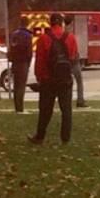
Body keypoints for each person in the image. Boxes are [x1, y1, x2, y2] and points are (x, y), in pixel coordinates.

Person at [28, 13, 78, 144]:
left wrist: (40, 77)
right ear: (62, 23)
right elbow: (73, 57)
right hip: (65, 80)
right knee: (66, 110)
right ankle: (65, 138)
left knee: (45, 110)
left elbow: (40, 60)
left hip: (48, 80)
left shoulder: (44, 39)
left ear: (50, 24)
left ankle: (40, 136)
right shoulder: (71, 38)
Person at [8, 17, 34, 114]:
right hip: (23, 63)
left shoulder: (14, 34)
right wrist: (29, 63)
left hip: (15, 63)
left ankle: (17, 107)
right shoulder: (27, 35)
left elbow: (10, 49)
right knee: (21, 86)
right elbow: (29, 52)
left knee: (16, 85)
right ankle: (20, 108)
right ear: (27, 24)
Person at [63, 15, 89, 108]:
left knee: (66, 82)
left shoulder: (62, 35)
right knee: (79, 81)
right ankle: (80, 100)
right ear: (71, 24)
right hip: (73, 62)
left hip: (65, 62)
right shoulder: (71, 36)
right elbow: (74, 50)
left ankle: (66, 100)